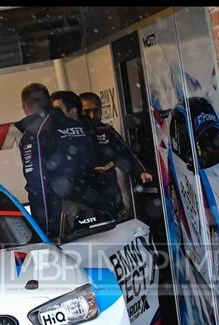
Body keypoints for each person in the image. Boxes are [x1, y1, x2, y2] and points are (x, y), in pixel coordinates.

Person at [16, 83, 95, 240]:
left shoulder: (35, 133)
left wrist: (43, 231)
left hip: (62, 221)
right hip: (95, 209)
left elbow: (38, 186)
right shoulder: (77, 125)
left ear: (25, 106)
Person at [79, 92, 153, 221]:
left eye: (96, 111)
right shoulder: (72, 134)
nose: (92, 115)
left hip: (111, 198)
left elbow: (125, 153)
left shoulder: (106, 131)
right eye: (87, 111)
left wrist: (140, 172)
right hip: (85, 203)